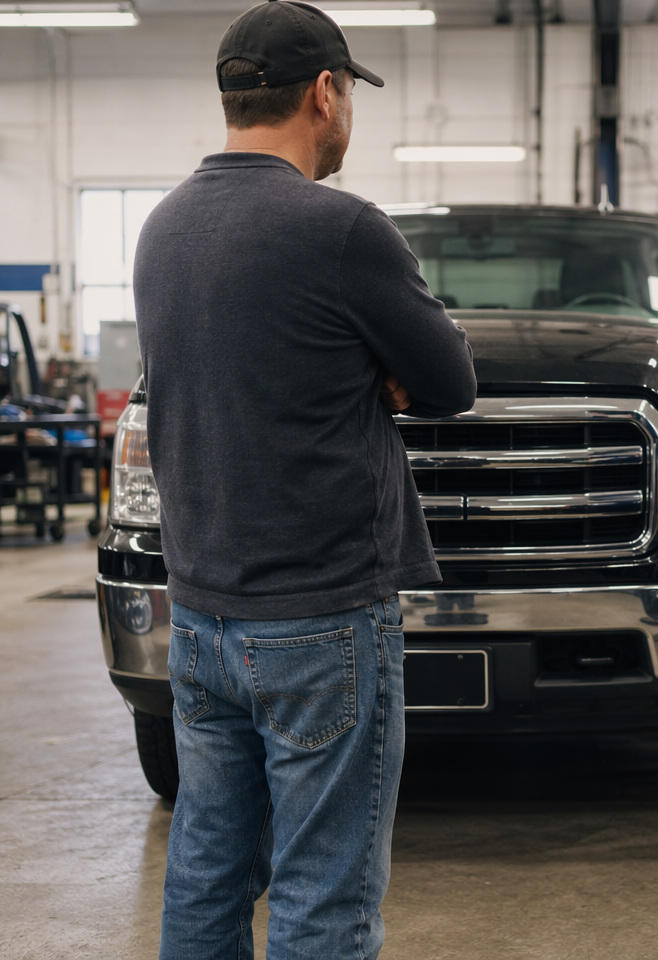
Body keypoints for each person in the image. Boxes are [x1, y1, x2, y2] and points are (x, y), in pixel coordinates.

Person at [132, 2, 477, 957]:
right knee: (324, 895)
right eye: (348, 96)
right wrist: (371, 368)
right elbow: (450, 383)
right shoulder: (340, 229)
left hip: (200, 617)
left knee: (205, 874)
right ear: (324, 94)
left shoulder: (160, 228)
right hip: (321, 622)